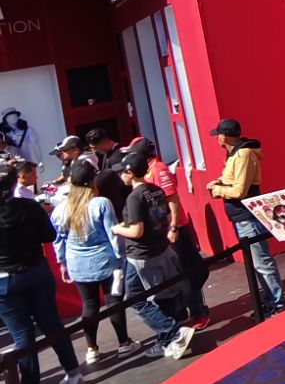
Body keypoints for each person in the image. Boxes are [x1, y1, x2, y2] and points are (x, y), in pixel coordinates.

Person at [0, 163, 83, 384]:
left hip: (5, 280)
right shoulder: (30, 206)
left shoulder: (28, 206)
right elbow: (49, 235)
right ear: (14, 183)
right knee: (51, 324)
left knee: (22, 335)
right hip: (36, 271)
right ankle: (73, 372)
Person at [114, 152, 194, 359]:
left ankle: (173, 331)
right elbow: (162, 216)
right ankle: (169, 339)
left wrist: (117, 229)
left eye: (123, 172)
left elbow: (136, 231)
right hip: (160, 247)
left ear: (130, 173)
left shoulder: (134, 197)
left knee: (136, 299)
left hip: (141, 254)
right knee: (163, 294)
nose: (121, 175)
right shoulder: (156, 190)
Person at [123, 138, 209, 326]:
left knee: (187, 271)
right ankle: (182, 314)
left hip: (174, 228)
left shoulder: (159, 170)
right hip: (162, 231)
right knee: (174, 275)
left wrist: (173, 227)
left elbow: (172, 199)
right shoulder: (147, 172)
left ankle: (198, 312)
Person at [54, 158, 132, 363]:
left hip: (77, 263)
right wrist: (121, 257)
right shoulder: (101, 203)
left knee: (89, 305)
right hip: (106, 260)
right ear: (92, 182)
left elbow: (59, 240)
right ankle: (124, 343)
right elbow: (113, 233)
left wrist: (62, 263)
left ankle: (91, 349)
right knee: (114, 301)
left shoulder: (60, 210)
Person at [207, 118, 285, 317]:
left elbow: (240, 191)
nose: (217, 138)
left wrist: (217, 190)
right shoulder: (234, 154)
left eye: (218, 135)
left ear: (224, 137)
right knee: (256, 263)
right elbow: (232, 179)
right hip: (240, 217)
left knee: (261, 262)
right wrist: (219, 181)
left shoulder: (243, 155)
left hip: (248, 216)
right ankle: (271, 301)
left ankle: (278, 303)